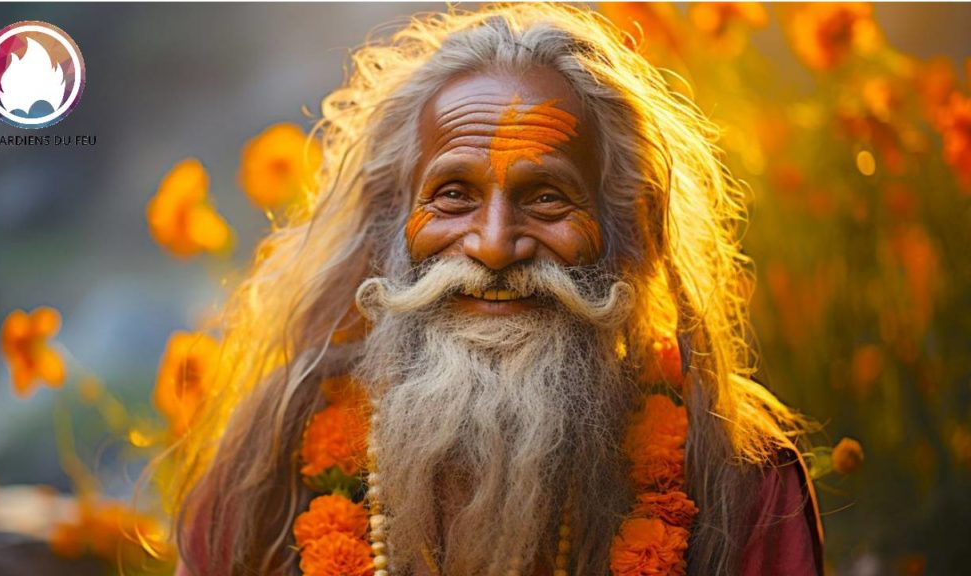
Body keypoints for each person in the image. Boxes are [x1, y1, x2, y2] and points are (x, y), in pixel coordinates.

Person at [171, 4, 824, 575]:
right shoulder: (271, 462)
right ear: (389, 225)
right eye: (453, 194)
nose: (493, 245)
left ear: (627, 233)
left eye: (546, 197)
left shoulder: (736, 482)